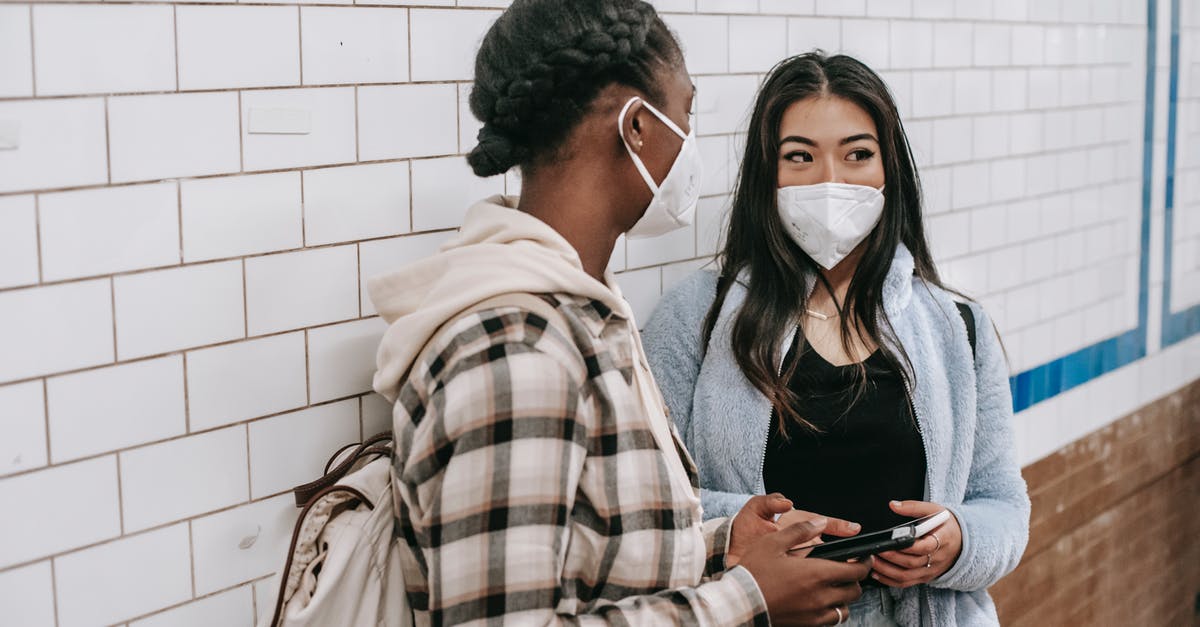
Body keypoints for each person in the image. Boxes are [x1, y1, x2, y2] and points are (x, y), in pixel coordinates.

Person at [369, 6, 872, 626]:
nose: (690, 144)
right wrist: (749, 597)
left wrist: (724, 547)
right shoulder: (515, 350)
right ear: (637, 126)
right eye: (685, 115)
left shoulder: (582, 313)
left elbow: (597, 559)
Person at [643, 52, 1031, 626]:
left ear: (888, 170)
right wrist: (743, 529)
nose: (831, 181)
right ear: (765, 173)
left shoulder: (957, 326)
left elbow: (1003, 504)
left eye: (857, 155)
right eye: (800, 156)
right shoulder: (694, 318)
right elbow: (654, 504)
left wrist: (959, 542)